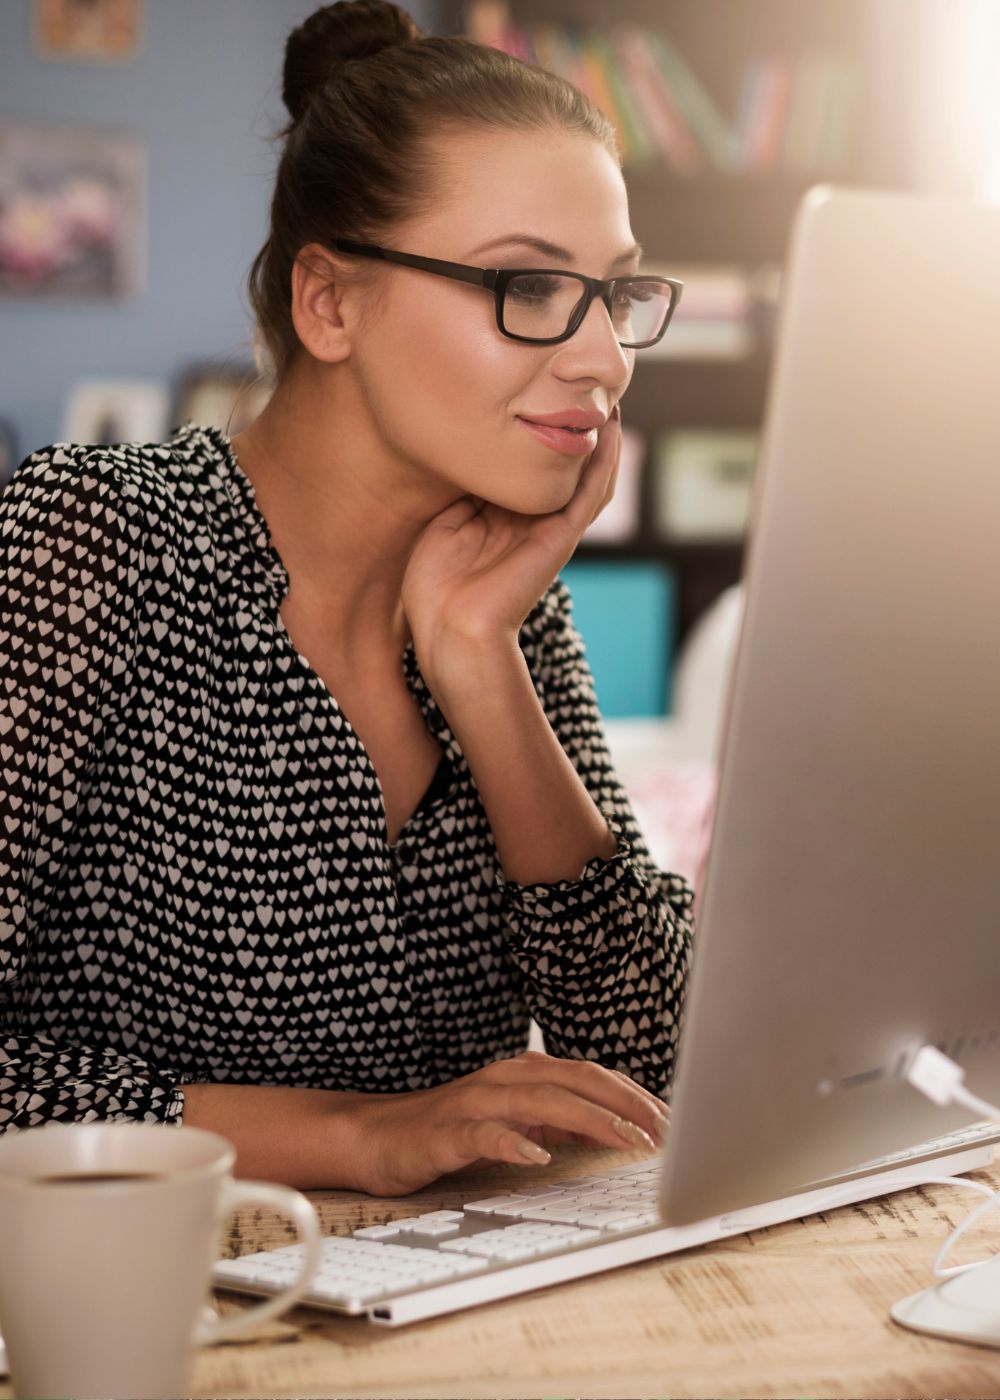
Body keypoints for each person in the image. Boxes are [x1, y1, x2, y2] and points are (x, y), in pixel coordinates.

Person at [0, 0, 694, 1195]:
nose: (604, 358)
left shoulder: (508, 599)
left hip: (453, 1319)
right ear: (328, 303)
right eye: (529, 284)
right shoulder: (91, 541)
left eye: (614, 293)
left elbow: (655, 1059)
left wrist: (481, 662)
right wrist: (353, 1135)